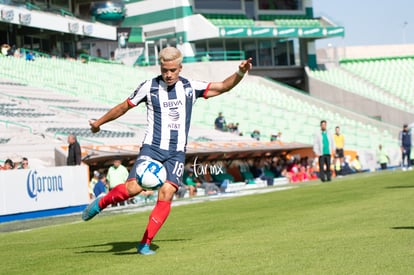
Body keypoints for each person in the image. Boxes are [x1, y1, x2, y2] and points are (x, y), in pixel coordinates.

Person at [82, 46, 252, 255]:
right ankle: (103, 201)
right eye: (164, 70)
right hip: (152, 148)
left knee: (168, 192)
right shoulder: (149, 87)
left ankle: (145, 243)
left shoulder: (191, 87)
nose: (168, 74)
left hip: (176, 153)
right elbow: (123, 106)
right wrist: (98, 123)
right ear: (160, 68)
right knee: (133, 189)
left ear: (180, 68)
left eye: (172, 70)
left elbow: (224, 86)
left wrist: (241, 72)